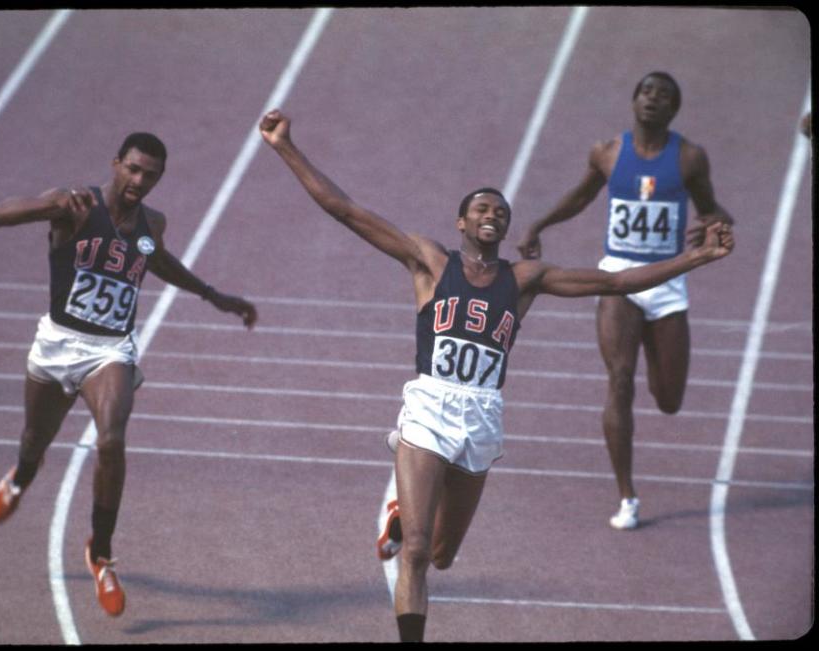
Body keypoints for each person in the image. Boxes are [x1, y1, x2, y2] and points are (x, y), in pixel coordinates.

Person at [258, 108, 733, 643]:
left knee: (441, 555)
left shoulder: (525, 279)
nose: (493, 214)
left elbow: (619, 283)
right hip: (429, 407)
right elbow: (344, 209)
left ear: (505, 228)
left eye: (501, 211)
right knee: (414, 553)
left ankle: (400, 517)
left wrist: (696, 258)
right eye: (481, 207)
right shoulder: (428, 263)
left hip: (483, 414)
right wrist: (285, 147)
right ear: (461, 223)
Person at [0, 132, 257, 617]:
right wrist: (46, 205)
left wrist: (212, 295)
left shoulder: (151, 223)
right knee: (34, 441)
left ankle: (101, 552)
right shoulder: (74, 205)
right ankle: (21, 478)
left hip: (110, 348)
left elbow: (159, 260)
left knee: (110, 439)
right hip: (56, 344)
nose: (139, 180)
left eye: (150, 174)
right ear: (115, 164)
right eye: (132, 169)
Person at [517, 71, 734, 531]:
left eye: (665, 96)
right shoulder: (608, 153)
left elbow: (713, 209)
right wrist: (539, 224)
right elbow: (580, 196)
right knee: (619, 380)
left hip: (667, 281)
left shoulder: (690, 158)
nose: (654, 100)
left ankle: (655, 390)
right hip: (617, 277)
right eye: (647, 92)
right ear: (633, 100)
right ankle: (627, 495)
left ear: (675, 109)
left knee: (669, 399)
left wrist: (714, 223)